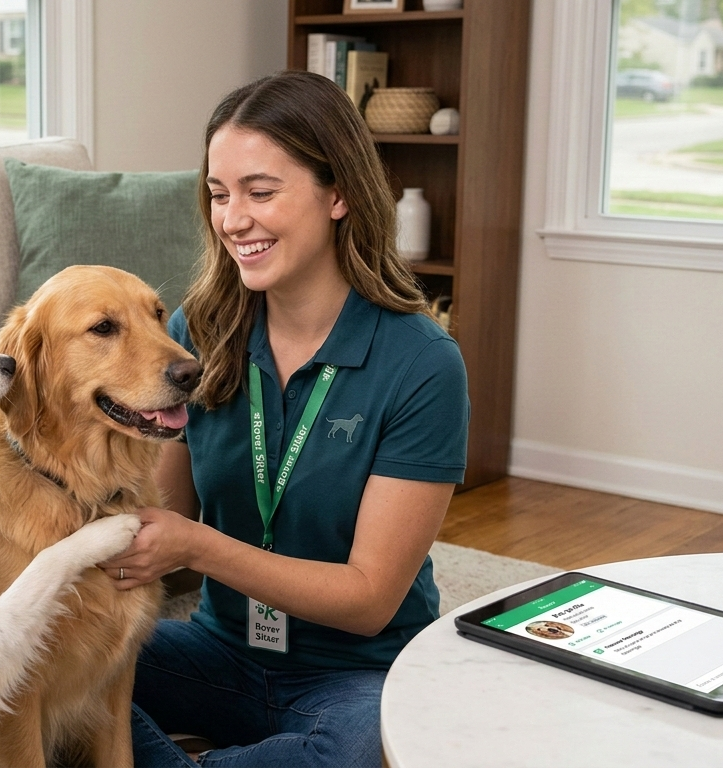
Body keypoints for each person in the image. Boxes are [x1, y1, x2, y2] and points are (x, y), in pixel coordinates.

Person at [98, 70, 469, 768]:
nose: (234, 218)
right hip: (218, 648)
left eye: (260, 192)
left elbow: (368, 600)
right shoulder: (195, 333)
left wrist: (197, 547)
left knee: (364, 747)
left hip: (357, 673)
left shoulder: (422, 364)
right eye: (218, 194)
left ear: (339, 193)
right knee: (48, 668)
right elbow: (165, 515)